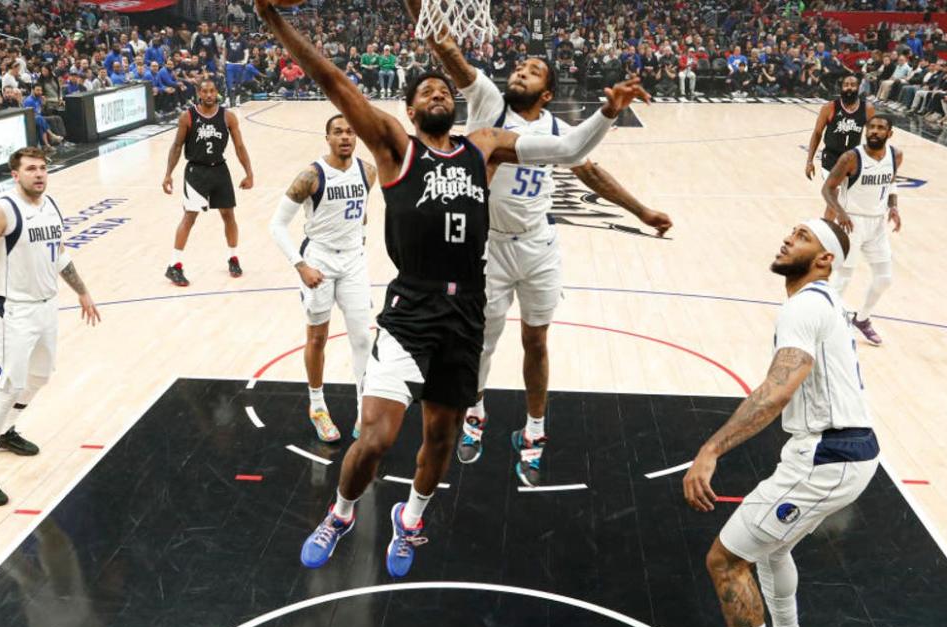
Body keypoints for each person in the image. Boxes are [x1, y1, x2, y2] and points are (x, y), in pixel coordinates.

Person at [255, 0, 639, 577]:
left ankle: (410, 520)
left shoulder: (483, 145)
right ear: (408, 110)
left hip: (466, 309)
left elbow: (568, 152)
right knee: (376, 439)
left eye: (443, 89)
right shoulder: (393, 147)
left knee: (439, 439)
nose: (437, 93)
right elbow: (330, 78)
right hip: (412, 307)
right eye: (425, 91)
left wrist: (606, 114)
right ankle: (340, 512)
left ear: (452, 105)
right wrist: (273, 19)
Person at [413, 2, 672, 485]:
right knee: (482, 340)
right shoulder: (489, 103)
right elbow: (445, 45)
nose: (521, 70)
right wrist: (424, 7)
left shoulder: (555, 130)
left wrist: (642, 211)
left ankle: (534, 431)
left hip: (537, 246)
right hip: (487, 246)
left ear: (547, 93)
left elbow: (589, 169)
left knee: (536, 340)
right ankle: (476, 412)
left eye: (532, 71)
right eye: (520, 65)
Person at [683, 218, 877, 627]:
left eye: (803, 237)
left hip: (828, 457)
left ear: (825, 259)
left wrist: (710, 449)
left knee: (726, 560)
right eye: (792, 231)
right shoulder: (825, 303)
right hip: (839, 453)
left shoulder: (805, 307)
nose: (789, 238)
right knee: (772, 548)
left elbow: (775, 391)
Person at [0, 147, 102, 506]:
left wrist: (82, 291)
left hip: (47, 307)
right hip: (15, 312)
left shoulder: (49, 205)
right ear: (15, 175)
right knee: (9, 387)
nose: (39, 174)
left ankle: (6, 432)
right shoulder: (1, 210)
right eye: (31, 169)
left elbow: (60, 253)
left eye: (43, 168)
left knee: (40, 376)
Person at [268, 114, 375, 443]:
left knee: (361, 338)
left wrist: (356, 239)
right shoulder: (311, 176)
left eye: (350, 130)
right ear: (327, 137)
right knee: (317, 338)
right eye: (338, 132)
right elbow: (276, 225)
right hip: (318, 261)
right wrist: (301, 265)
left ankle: (363, 408)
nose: (345, 137)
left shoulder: (367, 172)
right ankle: (317, 407)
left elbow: (361, 214)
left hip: (353, 261)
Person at [161, 79, 254, 284]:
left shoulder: (228, 116)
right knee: (189, 217)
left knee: (228, 214)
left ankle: (233, 257)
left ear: (217, 93)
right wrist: (168, 173)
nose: (209, 94)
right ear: (199, 93)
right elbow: (177, 146)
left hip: (220, 169)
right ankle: (174, 265)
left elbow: (239, 146)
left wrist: (249, 173)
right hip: (196, 171)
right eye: (205, 91)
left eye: (212, 91)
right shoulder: (188, 116)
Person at [822, 115, 903, 346]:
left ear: (890, 133)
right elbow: (827, 189)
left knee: (885, 278)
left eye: (880, 128)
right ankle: (827, 325)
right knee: (843, 278)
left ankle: (863, 319)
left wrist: (894, 206)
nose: (874, 131)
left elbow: (891, 182)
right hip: (852, 223)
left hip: (877, 224)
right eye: (871, 127)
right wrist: (840, 212)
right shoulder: (851, 158)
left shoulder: (896, 155)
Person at [805, 75, 875, 219]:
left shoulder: (867, 109)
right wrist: (810, 161)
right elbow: (817, 133)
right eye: (846, 85)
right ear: (841, 87)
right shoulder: (829, 107)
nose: (849, 88)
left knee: (848, 202)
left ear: (858, 87)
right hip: (831, 158)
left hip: (852, 159)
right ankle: (827, 233)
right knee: (834, 196)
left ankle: (840, 232)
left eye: (853, 85)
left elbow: (872, 136)